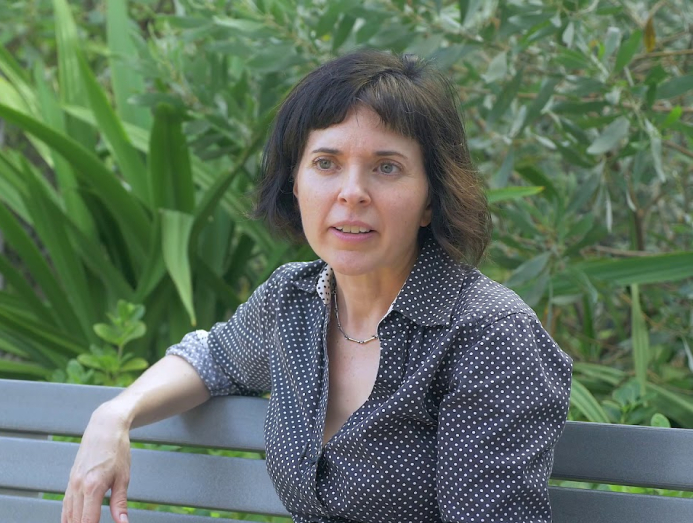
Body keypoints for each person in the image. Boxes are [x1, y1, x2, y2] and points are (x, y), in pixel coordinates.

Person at [61, 50, 573, 523]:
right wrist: (115, 415)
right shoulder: (294, 301)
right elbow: (212, 358)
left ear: (431, 199)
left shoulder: (488, 334)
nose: (352, 193)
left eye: (387, 167)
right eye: (326, 163)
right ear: (295, 183)